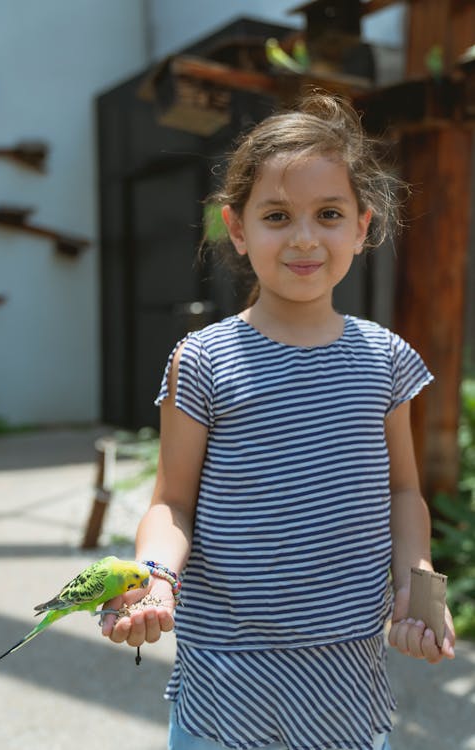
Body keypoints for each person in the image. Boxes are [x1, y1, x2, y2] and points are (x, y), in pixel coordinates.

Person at [102, 92, 456, 750]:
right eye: (276, 215)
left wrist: (423, 596)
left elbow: (405, 493)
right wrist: (152, 578)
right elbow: (172, 502)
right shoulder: (202, 361)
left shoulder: (387, 360)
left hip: (346, 681)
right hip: (225, 676)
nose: (303, 237)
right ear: (237, 228)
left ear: (361, 226)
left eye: (328, 214)